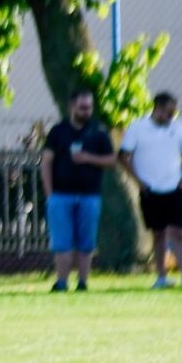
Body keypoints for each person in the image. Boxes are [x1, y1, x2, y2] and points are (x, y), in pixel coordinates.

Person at [39, 89, 116, 292]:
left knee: (86, 242)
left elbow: (111, 160)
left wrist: (88, 158)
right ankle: (62, 282)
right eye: (82, 107)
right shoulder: (58, 131)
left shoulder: (98, 132)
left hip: (89, 196)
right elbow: (46, 161)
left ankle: (82, 282)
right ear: (72, 107)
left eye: (89, 107)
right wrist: (49, 193)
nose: (86, 111)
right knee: (62, 242)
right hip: (60, 196)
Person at [118, 91, 182, 289]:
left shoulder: (178, 127)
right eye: (168, 112)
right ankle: (161, 277)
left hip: (174, 187)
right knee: (158, 233)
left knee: (177, 232)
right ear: (158, 109)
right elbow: (123, 156)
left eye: (173, 113)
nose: (171, 117)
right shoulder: (137, 127)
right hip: (150, 190)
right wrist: (139, 182)